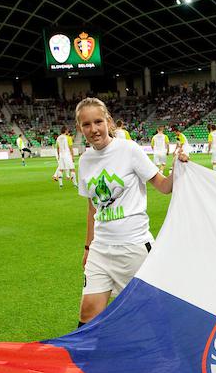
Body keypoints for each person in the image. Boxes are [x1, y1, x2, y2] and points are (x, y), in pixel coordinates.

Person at [74, 98, 188, 326]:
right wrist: (88, 247)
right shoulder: (85, 161)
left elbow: (164, 187)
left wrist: (179, 166)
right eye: (86, 125)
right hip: (101, 250)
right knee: (88, 313)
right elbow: (92, 207)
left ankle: (171, 356)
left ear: (108, 121)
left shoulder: (129, 150)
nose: (93, 129)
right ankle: (90, 361)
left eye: (98, 121)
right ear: (80, 128)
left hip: (134, 247)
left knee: (150, 314)